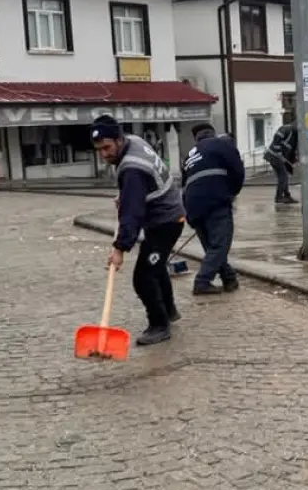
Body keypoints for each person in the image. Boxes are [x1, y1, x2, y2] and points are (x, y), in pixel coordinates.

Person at [90, 115, 184, 346]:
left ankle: (159, 325)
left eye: (107, 148)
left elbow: (132, 213)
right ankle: (169, 311)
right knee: (155, 266)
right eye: (99, 150)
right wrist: (126, 194)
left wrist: (119, 249)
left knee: (143, 277)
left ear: (119, 140)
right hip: (166, 215)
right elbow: (137, 192)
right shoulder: (134, 141)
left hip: (166, 222)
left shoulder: (132, 168)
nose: (103, 154)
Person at [181, 121, 245, 295]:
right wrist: (231, 192)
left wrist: (188, 213)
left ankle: (229, 278)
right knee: (220, 245)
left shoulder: (189, 156)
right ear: (212, 133)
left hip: (192, 206)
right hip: (215, 200)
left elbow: (184, 185)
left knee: (212, 247)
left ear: (197, 138)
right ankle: (202, 281)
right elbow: (237, 170)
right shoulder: (222, 144)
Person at [263, 122, 299, 204]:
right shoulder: (287, 129)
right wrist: (278, 152)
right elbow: (277, 138)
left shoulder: (296, 136)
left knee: (284, 176)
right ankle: (279, 197)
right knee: (283, 176)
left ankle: (286, 196)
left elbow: (291, 151)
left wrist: (294, 160)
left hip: (280, 158)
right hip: (274, 156)